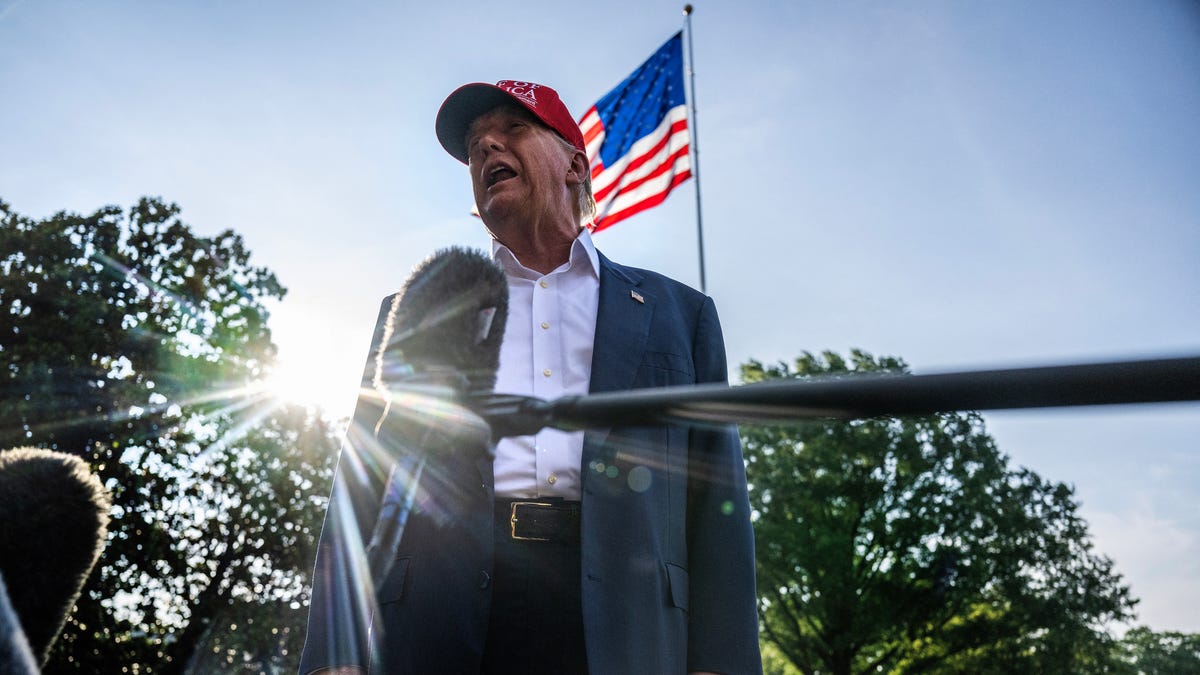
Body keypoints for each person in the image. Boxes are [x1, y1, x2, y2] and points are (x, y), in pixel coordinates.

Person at [299, 80, 761, 675]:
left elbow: (715, 502)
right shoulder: (420, 307)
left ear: (574, 164)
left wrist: (722, 663)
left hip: (631, 621)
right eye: (473, 146)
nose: (487, 147)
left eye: (513, 128)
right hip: (439, 622)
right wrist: (332, 655)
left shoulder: (682, 314)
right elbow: (360, 482)